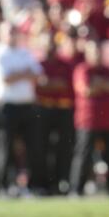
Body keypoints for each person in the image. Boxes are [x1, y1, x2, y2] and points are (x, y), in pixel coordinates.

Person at [0, 22, 43, 194]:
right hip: (7, 106)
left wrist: (18, 74)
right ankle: (3, 185)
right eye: (8, 32)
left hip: (27, 105)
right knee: (5, 147)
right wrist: (24, 74)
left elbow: (38, 74)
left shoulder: (24, 52)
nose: (11, 35)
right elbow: (5, 78)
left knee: (33, 146)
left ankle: (33, 185)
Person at [70, 40, 109, 195]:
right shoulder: (83, 69)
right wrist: (107, 87)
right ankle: (76, 188)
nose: (97, 55)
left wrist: (100, 83)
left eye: (99, 52)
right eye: (93, 52)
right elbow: (86, 90)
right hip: (88, 120)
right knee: (83, 155)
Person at [34, 33, 77, 195]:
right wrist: (52, 85)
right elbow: (37, 85)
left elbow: (65, 85)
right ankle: (43, 182)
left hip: (63, 108)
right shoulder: (38, 64)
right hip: (43, 109)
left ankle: (62, 180)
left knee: (64, 147)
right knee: (42, 147)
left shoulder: (65, 64)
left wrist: (48, 84)